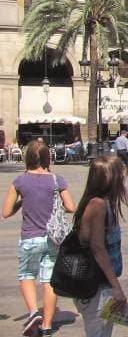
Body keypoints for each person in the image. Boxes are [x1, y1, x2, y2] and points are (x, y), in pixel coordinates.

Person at [3, 139, 76, 337]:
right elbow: (71, 207)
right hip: (52, 239)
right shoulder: (56, 180)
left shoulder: (19, 181)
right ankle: (47, 325)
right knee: (49, 281)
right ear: (47, 157)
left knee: (26, 275)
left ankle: (35, 312)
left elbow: (6, 212)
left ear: (27, 158)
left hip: (29, 238)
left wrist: (21, 203)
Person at [72, 155, 128, 337]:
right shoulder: (98, 205)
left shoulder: (104, 203)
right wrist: (117, 288)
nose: (123, 178)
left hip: (101, 283)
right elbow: (98, 248)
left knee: (104, 331)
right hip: (95, 285)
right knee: (98, 332)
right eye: (120, 175)